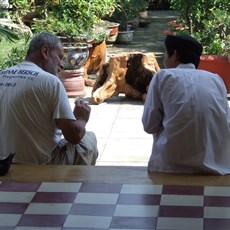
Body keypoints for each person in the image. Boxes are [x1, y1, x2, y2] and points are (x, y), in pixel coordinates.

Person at [0, 32, 98, 165]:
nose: (62, 65)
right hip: (39, 165)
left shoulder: (2, 75)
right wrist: (81, 119)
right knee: (88, 140)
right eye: (60, 57)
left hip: (4, 164)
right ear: (45, 51)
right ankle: (73, 183)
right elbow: (74, 136)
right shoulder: (50, 82)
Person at [142, 34, 230, 175]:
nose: (164, 57)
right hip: (216, 167)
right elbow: (226, 123)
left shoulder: (163, 76)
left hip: (169, 167)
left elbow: (149, 125)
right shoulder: (216, 80)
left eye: (166, 52)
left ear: (174, 54)